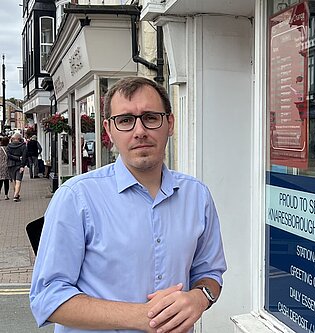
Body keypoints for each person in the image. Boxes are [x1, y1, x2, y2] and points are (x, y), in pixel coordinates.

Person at [30, 76, 227, 333]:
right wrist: (142, 316)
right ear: (109, 130)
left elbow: (210, 272)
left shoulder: (197, 196)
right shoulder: (76, 197)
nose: (139, 131)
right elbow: (48, 298)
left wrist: (199, 299)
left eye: (151, 117)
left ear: (170, 123)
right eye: (125, 120)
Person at [7, 132, 27, 202]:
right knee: (18, 180)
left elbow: (8, 155)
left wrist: (15, 158)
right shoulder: (23, 146)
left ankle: (16, 194)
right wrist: (22, 164)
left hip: (10, 165)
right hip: (19, 165)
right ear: (19, 138)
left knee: (13, 180)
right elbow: (24, 157)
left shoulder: (9, 146)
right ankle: (15, 196)